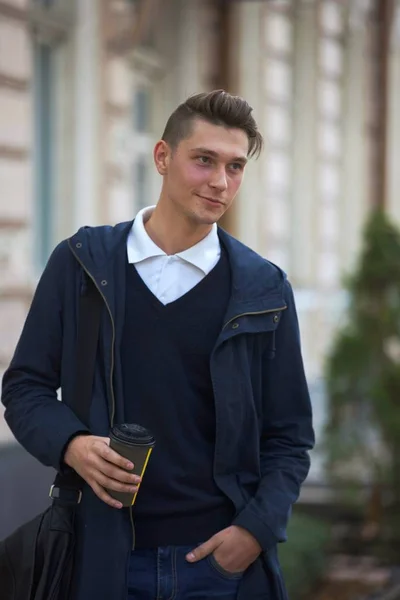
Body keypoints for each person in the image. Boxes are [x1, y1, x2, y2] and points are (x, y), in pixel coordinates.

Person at [2, 90, 314, 600]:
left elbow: (289, 436)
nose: (220, 182)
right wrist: (72, 445)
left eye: (235, 167)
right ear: (163, 157)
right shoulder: (82, 265)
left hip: (217, 570)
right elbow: (25, 388)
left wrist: (254, 534)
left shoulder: (264, 288)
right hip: (99, 562)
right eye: (204, 160)